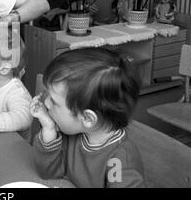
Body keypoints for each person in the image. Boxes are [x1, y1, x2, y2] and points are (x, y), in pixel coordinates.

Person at [30, 48, 145, 188]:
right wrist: (49, 128)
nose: (46, 103)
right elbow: (47, 173)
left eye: (54, 101)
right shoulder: (74, 132)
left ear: (88, 118)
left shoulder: (118, 161)